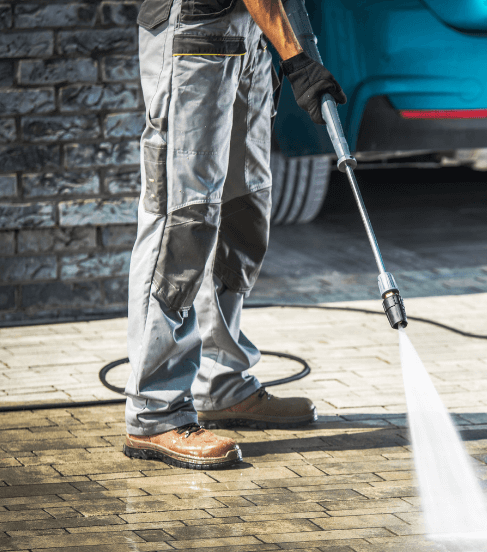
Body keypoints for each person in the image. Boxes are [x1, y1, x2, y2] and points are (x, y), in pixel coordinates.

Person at [122, 0, 346, 469]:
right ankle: (156, 411)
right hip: (194, 34)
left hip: (250, 39)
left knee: (242, 214)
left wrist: (294, 47)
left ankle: (222, 382)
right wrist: (296, 56)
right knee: (183, 221)